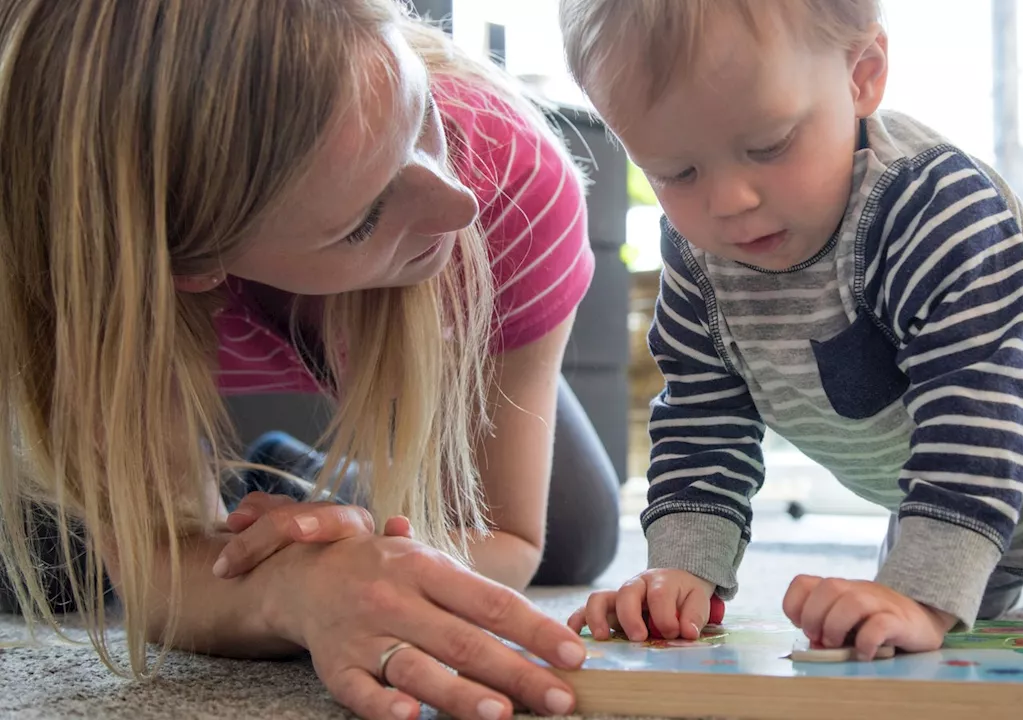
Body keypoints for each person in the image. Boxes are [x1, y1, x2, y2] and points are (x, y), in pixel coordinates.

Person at [558, 0, 1023, 658]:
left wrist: (925, 592)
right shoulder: (698, 259)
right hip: (939, 472)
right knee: (894, 640)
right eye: (675, 171)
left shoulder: (932, 208)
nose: (730, 201)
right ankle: (1013, 567)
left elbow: (976, 407)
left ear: (862, 75)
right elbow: (702, 419)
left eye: (770, 145)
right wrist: (682, 568)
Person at [0, 3, 614, 719]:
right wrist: (300, 588)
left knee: (577, 535)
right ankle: (294, 494)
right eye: (362, 218)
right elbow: (156, 573)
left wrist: (341, 561)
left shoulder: (509, 176)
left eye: (421, 118)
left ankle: (294, 484)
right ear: (194, 266)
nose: (459, 206)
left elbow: (512, 538)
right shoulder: (95, 272)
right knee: (50, 560)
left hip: (450, 328)